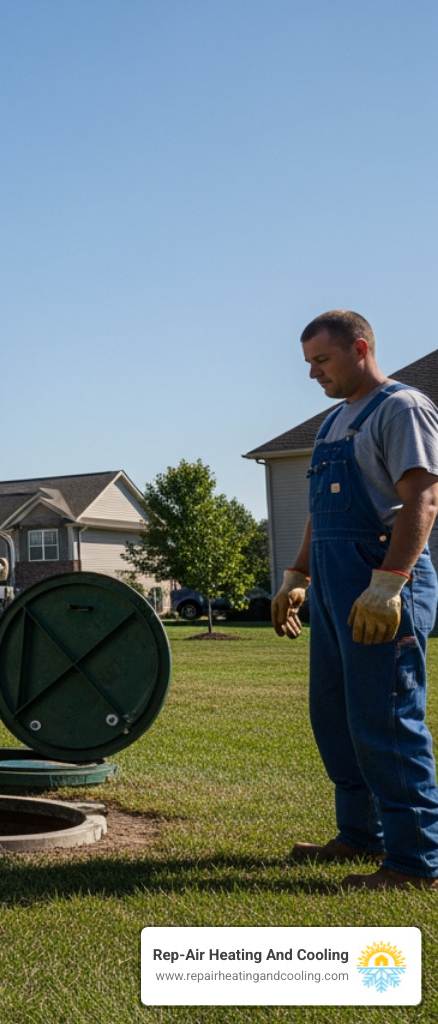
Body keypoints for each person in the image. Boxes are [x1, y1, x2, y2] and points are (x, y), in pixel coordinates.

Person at [272, 309, 438, 890]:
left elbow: (422, 498)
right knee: (337, 716)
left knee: (386, 718)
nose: (313, 374)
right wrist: (297, 573)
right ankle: (359, 836)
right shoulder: (331, 424)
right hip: (335, 587)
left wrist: (389, 581)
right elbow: (322, 512)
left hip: (382, 584)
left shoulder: (401, 408)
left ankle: (416, 863)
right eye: (309, 364)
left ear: (360, 347)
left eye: (322, 360)